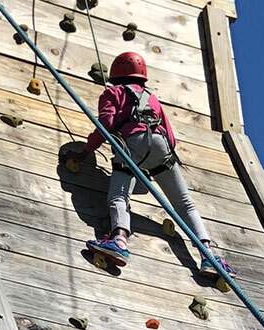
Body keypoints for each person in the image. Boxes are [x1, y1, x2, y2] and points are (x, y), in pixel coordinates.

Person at [73, 51, 233, 280]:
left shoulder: (113, 92)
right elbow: (171, 136)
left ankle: (119, 241)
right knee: (185, 203)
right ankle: (208, 254)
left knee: (118, 197)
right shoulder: (152, 97)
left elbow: (106, 124)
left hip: (132, 144)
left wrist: (86, 151)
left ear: (116, 73)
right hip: (162, 147)